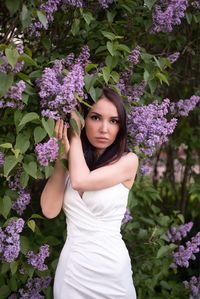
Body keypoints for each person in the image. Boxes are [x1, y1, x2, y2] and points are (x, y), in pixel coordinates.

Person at [40, 87, 139, 299]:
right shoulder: (74, 161)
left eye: (114, 121)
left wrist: (74, 132)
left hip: (112, 272)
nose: (104, 128)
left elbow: (81, 181)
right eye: (95, 117)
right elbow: (49, 210)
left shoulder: (128, 161)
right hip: (73, 272)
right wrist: (62, 157)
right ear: (85, 119)